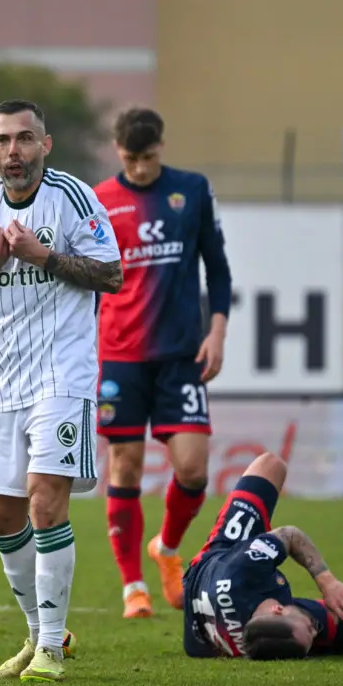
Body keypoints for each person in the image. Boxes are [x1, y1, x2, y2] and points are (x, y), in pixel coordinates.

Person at [0, 99, 123, 684]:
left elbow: (112, 274)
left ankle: (51, 649)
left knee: (44, 500)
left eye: (25, 139)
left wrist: (43, 255)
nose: (13, 151)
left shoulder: (75, 197)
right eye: (3, 140)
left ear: (45, 145)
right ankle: (38, 631)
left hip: (63, 375)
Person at [92, 107, 233, 619]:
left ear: (162, 148)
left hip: (180, 354)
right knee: (125, 466)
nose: (142, 168)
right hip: (120, 355)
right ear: (118, 151)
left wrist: (216, 331)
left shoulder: (191, 190)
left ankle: (167, 549)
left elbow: (217, 269)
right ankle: (133, 586)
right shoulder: (100, 200)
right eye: (132, 159)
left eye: (149, 158)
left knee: (193, 468)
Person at [183, 452, 343, 660]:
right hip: (207, 621)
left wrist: (327, 582)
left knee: (271, 464)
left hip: (219, 558)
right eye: (312, 636)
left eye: (309, 627)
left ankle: (168, 561)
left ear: (277, 609)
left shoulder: (244, 568)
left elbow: (290, 535)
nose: (315, 629)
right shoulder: (264, 639)